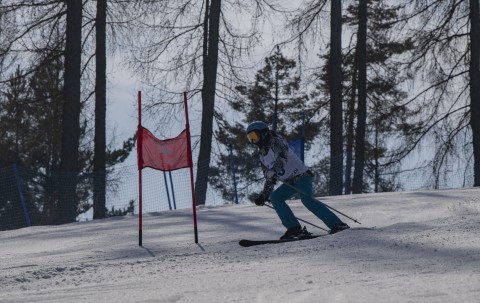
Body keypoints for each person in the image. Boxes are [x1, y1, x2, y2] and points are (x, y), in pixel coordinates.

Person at [246, 121, 350, 239]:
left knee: (307, 200)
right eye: (250, 138)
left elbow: (282, 158)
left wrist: (273, 170)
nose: (253, 141)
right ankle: (294, 228)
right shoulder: (262, 154)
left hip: (301, 176)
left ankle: (337, 224)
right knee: (276, 198)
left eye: (254, 136)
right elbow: (270, 178)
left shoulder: (276, 141)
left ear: (263, 133)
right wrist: (264, 195)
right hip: (289, 183)